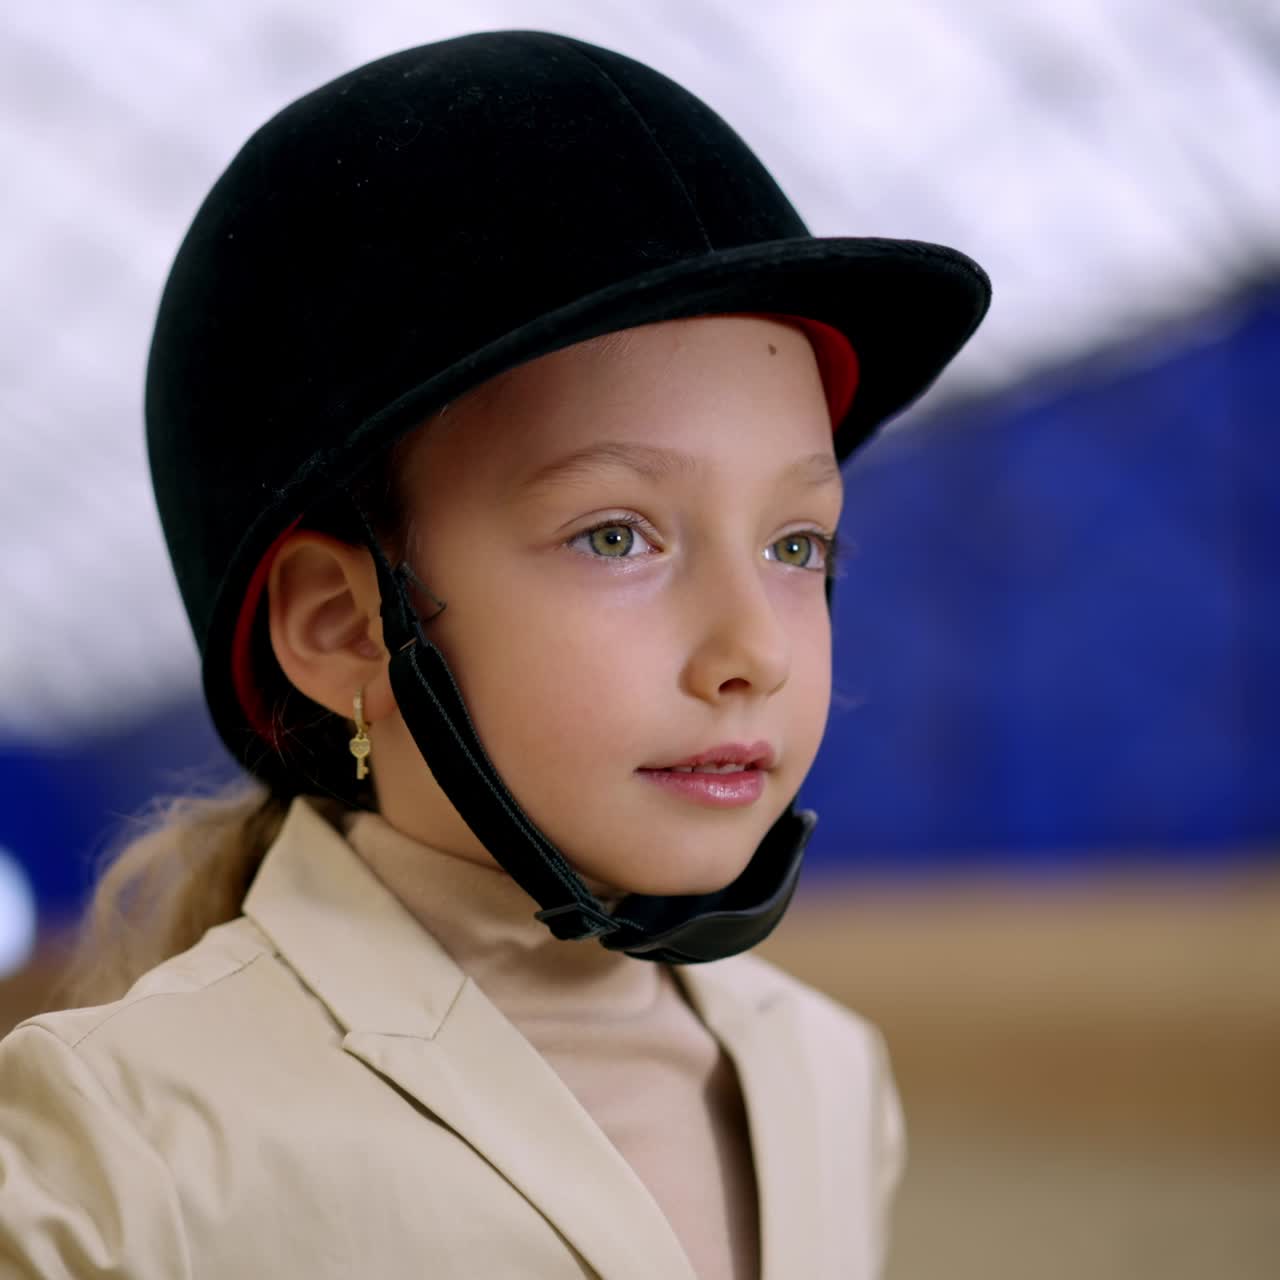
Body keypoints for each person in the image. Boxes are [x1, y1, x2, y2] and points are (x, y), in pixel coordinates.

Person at [0, 29, 989, 1280]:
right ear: (341, 625)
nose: (754, 651)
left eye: (798, 544)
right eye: (617, 533)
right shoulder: (103, 1167)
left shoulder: (830, 1075)